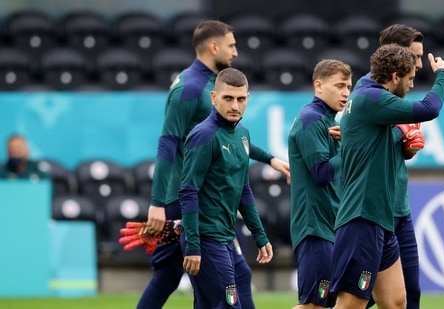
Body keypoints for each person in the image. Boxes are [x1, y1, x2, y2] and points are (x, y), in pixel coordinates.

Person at [137, 20, 289, 309]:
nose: (235, 52)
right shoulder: (190, 89)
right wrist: (157, 203)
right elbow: (168, 143)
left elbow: (230, 140)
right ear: (214, 46)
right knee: (179, 278)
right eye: (231, 45)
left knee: (196, 278)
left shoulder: (210, 84)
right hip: (186, 197)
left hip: (204, 196)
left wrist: (269, 159)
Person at [330, 44, 444, 309]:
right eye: (410, 79)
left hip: (380, 219)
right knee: (351, 305)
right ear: (395, 76)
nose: (410, 86)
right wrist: (443, 76)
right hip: (362, 218)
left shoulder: (367, 95)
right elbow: (429, 109)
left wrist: (399, 134)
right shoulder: (372, 99)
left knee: (396, 302)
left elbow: (379, 140)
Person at [179, 67, 274, 308]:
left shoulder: (242, 134)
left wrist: (260, 235)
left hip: (225, 236)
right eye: (228, 98)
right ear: (214, 97)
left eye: (240, 99)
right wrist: (193, 244)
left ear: (247, 99)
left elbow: (244, 189)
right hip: (205, 238)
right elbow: (189, 190)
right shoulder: (203, 135)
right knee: (231, 304)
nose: (235, 105)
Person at [287, 59, 352, 309]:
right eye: (339, 86)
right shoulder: (311, 119)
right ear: (318, 85)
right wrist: (349, 149)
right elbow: (321, 173)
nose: (346, 92)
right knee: (314, 305)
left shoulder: (331, 121)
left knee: (346, 300)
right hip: (315, 227)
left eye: (348, 86)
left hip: (332, 224)